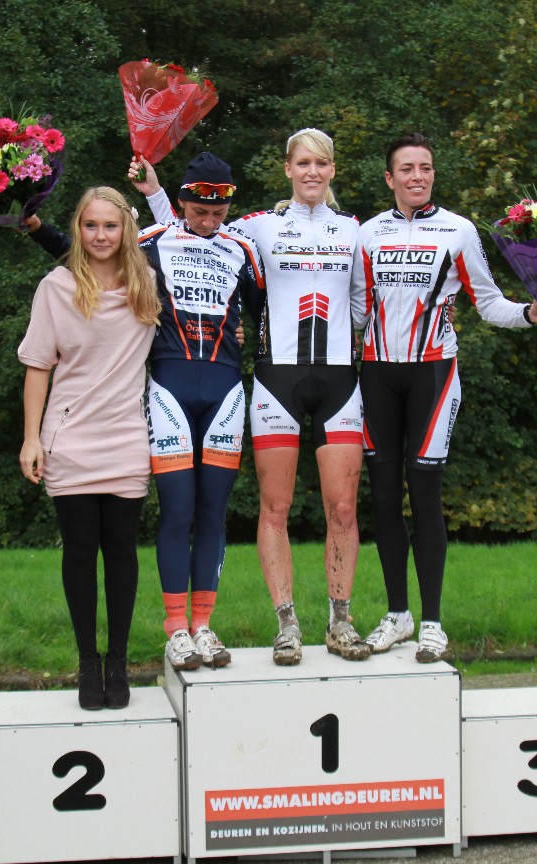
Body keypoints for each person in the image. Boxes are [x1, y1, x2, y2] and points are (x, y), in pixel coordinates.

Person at [136, 127, 370, 666]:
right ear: (287, 168)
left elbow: (362, 305)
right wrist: (154, 193)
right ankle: (287, 625)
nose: (312, 171)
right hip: (275, 378)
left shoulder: (354, 229)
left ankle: (341, 621)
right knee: (275, 506)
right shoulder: (254, 227)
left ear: (333, 170)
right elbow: (192, 234)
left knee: (342, 506)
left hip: (338, 377)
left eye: (322, 163)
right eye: (303, 162)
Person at [350, 133, 537, 662]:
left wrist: (530, 313)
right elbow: (353, 310)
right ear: (389, 178)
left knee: (424, 495)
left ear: (433, 175)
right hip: (376, 374)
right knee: (382, 498)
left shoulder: (459, 230)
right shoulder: (367, 233)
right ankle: (397, 615)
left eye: (425, 167)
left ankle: (432, 623)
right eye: (407, 168)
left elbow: (487, 302)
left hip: (434, 375)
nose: (417, 176)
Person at [17, 186, 161, 709]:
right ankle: (87, 662)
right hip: (70, 439)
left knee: (121, 552)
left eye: (111, 226)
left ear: (127, 230)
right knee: (80, 551)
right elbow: (38, 366)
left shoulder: (148, 283)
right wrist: (31, 438)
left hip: (126, 438)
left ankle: (118, 661)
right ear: (78, 229)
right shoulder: (56, 287)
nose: (101, 235)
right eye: (91, 225)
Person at [127, 152, 266, 671]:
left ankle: (203, 625)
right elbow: (88, 258)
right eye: (199, 211)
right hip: (170, 387)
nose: (208, 222)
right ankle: (175, 629)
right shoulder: (151, 241)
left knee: (212, 512)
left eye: (218, 213)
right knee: (178, 510)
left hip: (226, 390)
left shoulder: (242, 249)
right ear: (183, 202)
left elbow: (265, 311)